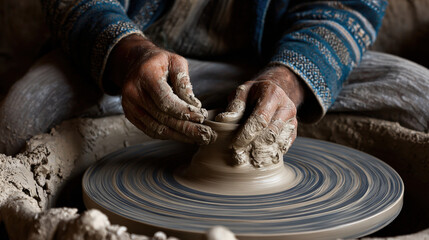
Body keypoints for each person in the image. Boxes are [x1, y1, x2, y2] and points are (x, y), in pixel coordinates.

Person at [1, 0, 428, 157]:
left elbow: (348, 8)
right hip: (136, 57)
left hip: (272, 62)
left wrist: (288, 80)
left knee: (420, 97)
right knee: (17, 120)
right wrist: (128, 57)